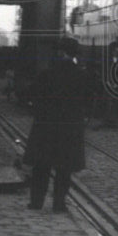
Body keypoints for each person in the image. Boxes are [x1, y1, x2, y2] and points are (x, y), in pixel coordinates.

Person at [22, 35, 92, 212]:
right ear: (75, 54)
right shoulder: (82, 75)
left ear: (59, 52)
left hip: (46, 125)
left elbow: (30, 94)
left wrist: (39, 108)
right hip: (69, 128)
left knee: (41, 166)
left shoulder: (47, 73)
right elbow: (89, 100)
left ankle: (36, 202)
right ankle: (59, 204)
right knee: (64, 168)